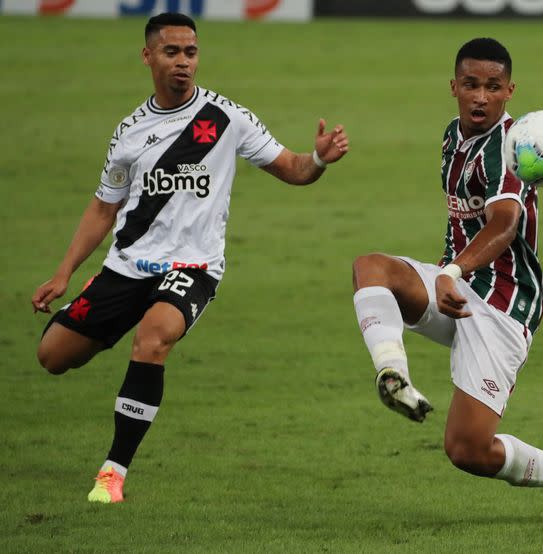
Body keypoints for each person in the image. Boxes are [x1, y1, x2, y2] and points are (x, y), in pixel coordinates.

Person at [32, 12, 349, 504]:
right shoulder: (129, 131)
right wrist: (63, 272)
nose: (183, 62)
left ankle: (113, 472)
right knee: (52, 356)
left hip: (193, 268)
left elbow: (292, 168)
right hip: (127, 267)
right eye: (171, 52)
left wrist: (321, 158)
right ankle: (112, 324)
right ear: (148, 56)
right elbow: (103, 206)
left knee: (152, 339)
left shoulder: (225, 118)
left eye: (191, 52)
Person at [351, 38, 543, 518]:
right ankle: (394, 374)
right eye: (471, 85)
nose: (480, 97)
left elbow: (504, 223)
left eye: (493, 87)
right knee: (371, 267)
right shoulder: (453, 134)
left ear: (509, 91)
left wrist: (452, 270)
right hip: (457, 286)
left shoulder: (510, 151)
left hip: (502, 306)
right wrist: (448, 274)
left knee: (467, 450)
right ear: (453, 86)